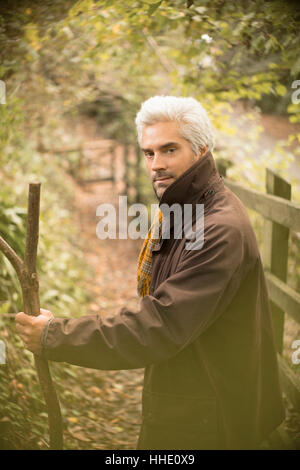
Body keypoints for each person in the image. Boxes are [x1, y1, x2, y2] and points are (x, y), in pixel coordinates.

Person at [16, 96, 285, 450]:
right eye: (149, 153)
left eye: (169, 150)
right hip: (186, 396)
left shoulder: (219, 227)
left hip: (210, 417)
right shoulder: (182, 209)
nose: (156, 164)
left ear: (201, 149)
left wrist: (57, 335)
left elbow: (160, 323)